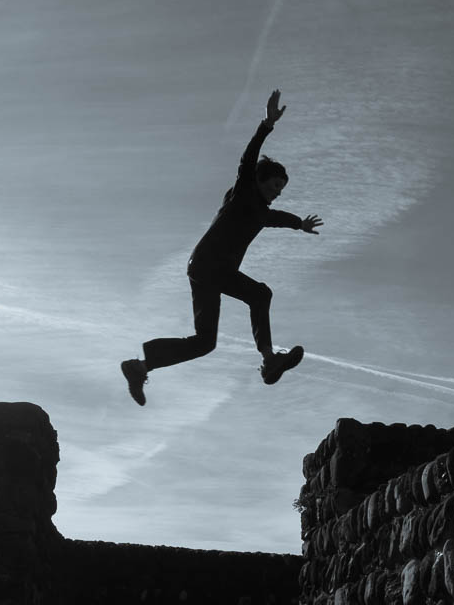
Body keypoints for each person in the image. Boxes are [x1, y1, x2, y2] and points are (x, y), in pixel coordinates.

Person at [120, 89, 323, 406]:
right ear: (259, 181)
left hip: (208, 270)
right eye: (274, 186)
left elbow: (277, 217)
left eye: (281, 189)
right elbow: (248, 159)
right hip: (208, 265)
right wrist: (266, 125)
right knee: (260, 294)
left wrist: (299, 224)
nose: (277, 193)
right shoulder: (244, 193)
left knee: (205, 343)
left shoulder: (261, 212)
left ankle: (140, 367)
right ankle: (269, 359)